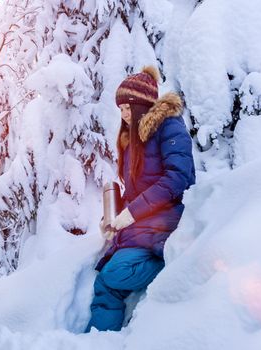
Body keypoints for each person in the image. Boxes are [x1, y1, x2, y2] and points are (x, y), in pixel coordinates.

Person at [85, 66, 196, 332]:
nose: (123, 115)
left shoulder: (169, 127)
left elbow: (179, 178)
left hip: (161, 226)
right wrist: (112, 217)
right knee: (105, 282)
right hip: (139, 229)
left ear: (142, 106)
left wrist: (132, 212)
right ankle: (96, 340)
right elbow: (133, 193)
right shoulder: (132, 141)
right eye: (120, 109)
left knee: (113, 275)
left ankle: (174, 268)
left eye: (127, 108)